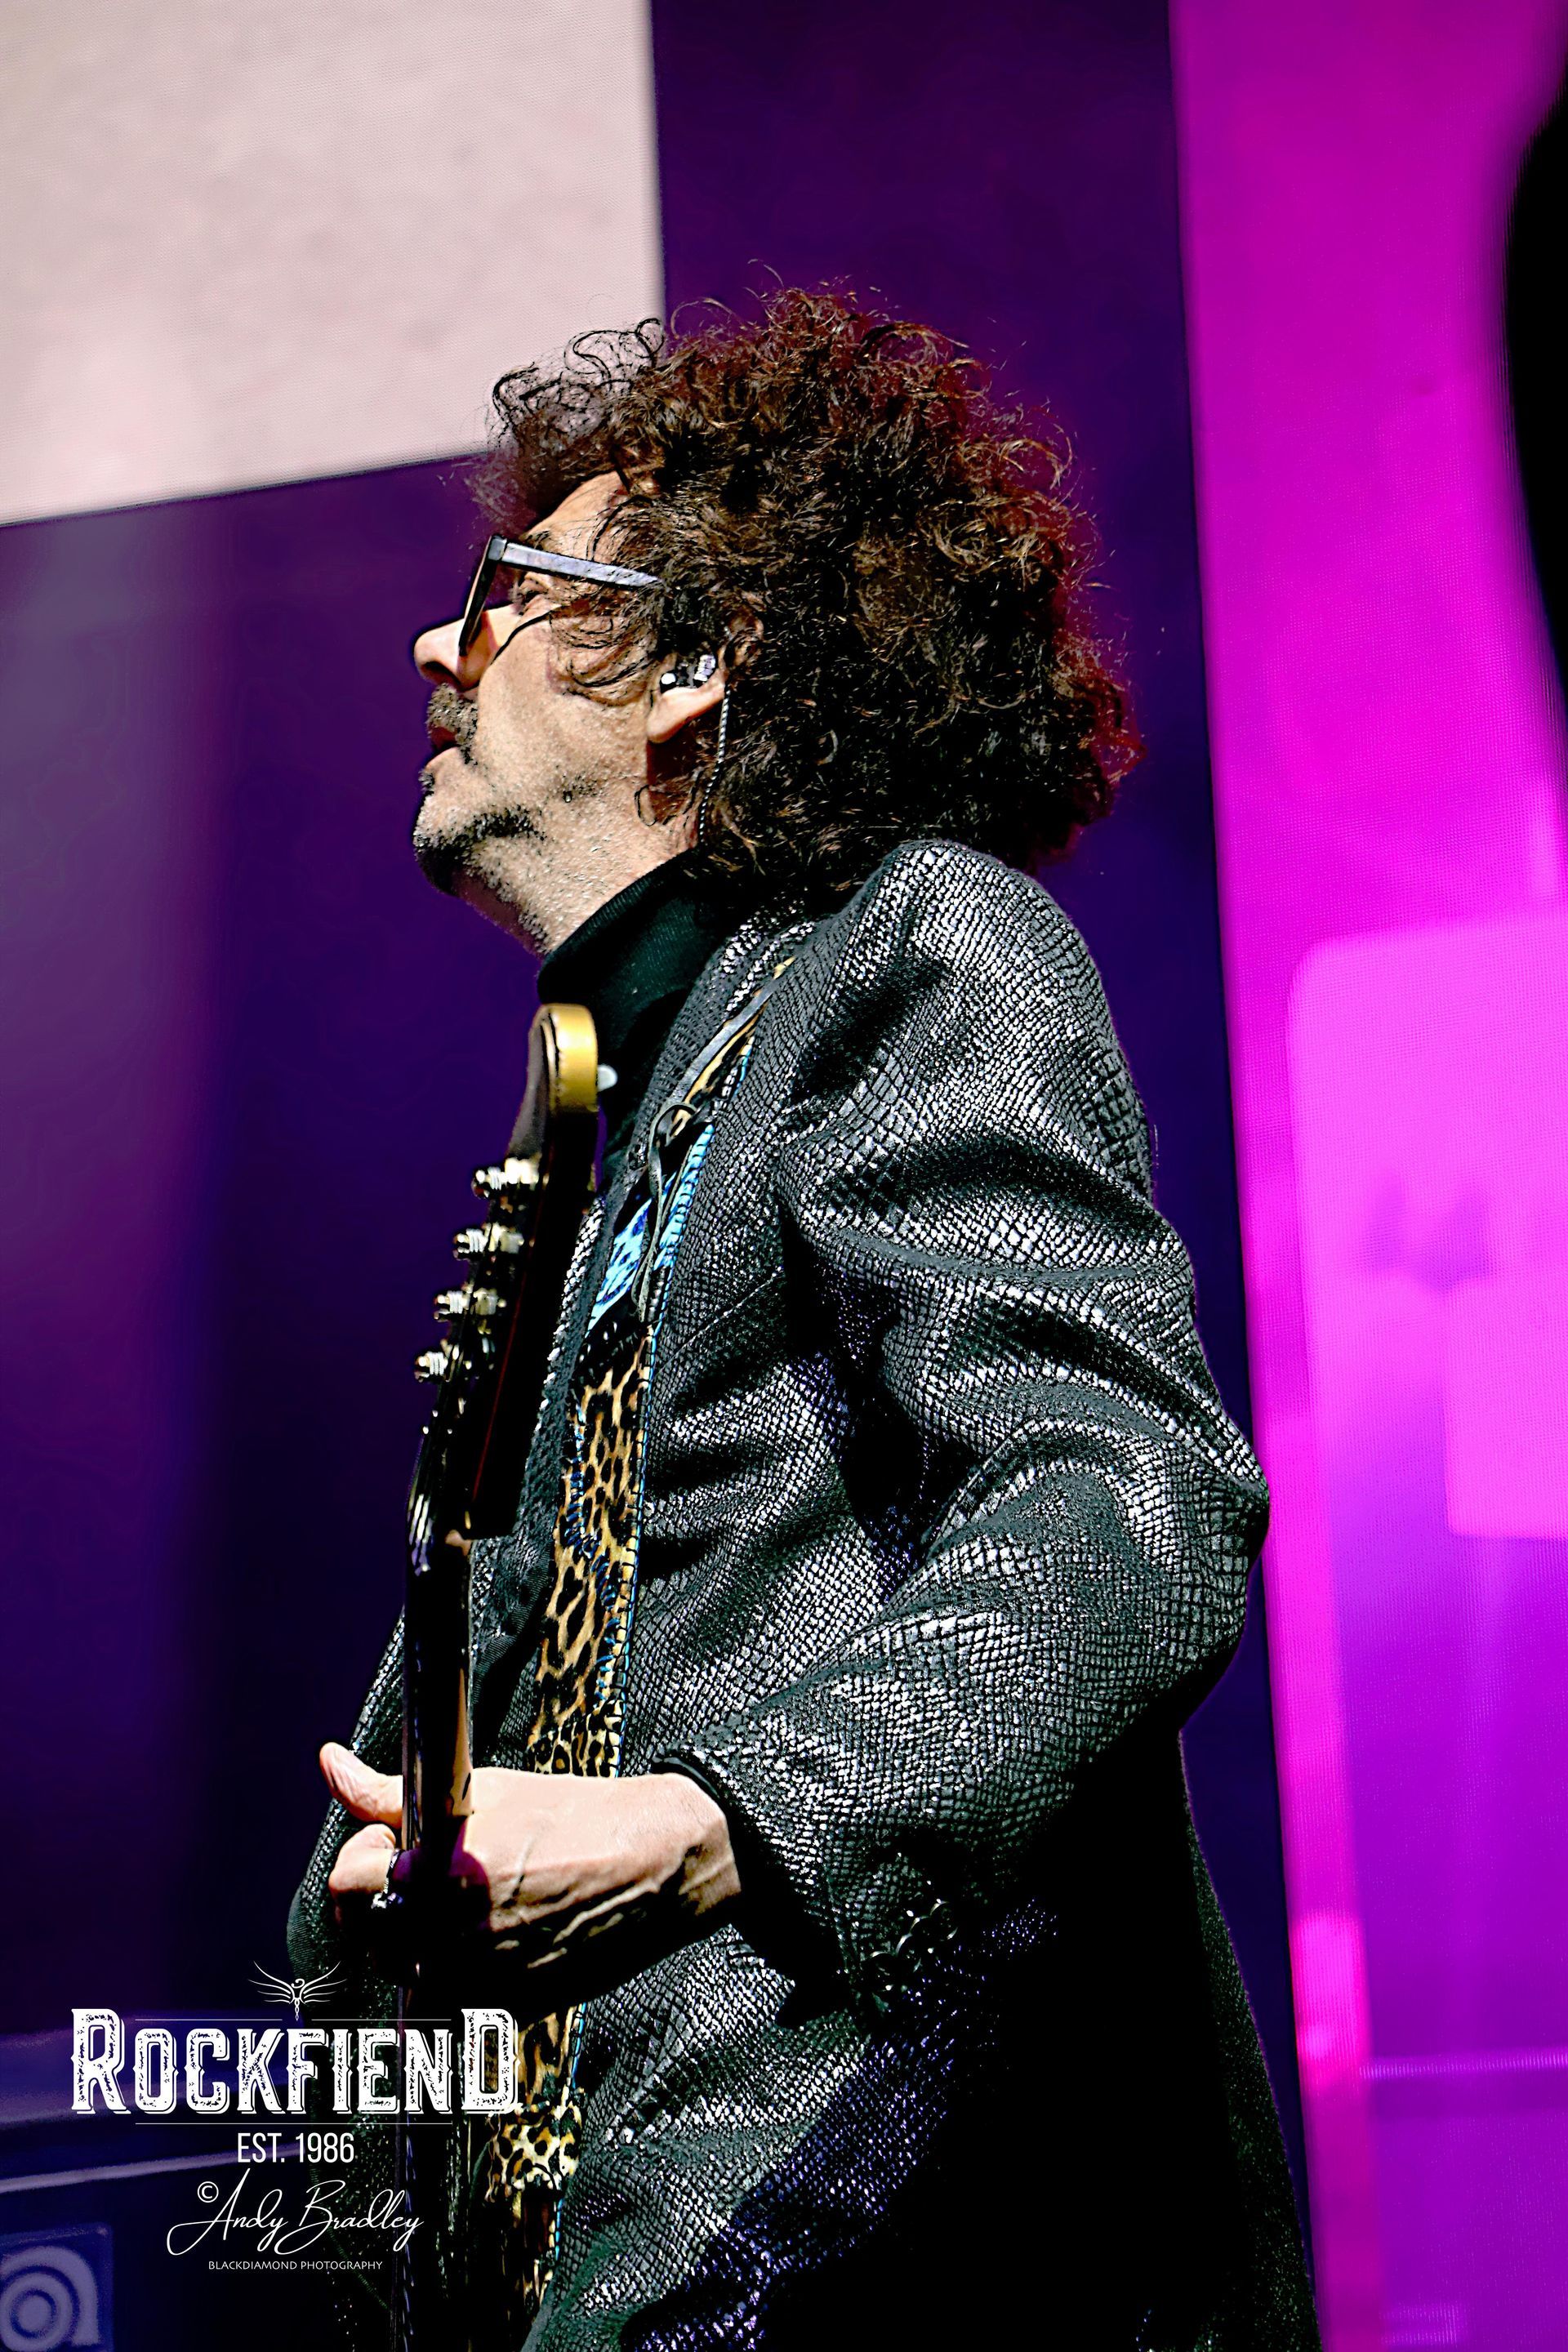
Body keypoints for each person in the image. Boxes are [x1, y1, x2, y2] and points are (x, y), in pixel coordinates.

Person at [290, 287, 1319, 2350]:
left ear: (692, 669)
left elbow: (1125, 1497)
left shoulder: (910, 943)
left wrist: (711, 1829)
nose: (432, 646)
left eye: (508, 594)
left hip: (863, 2247)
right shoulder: (608, 1124)